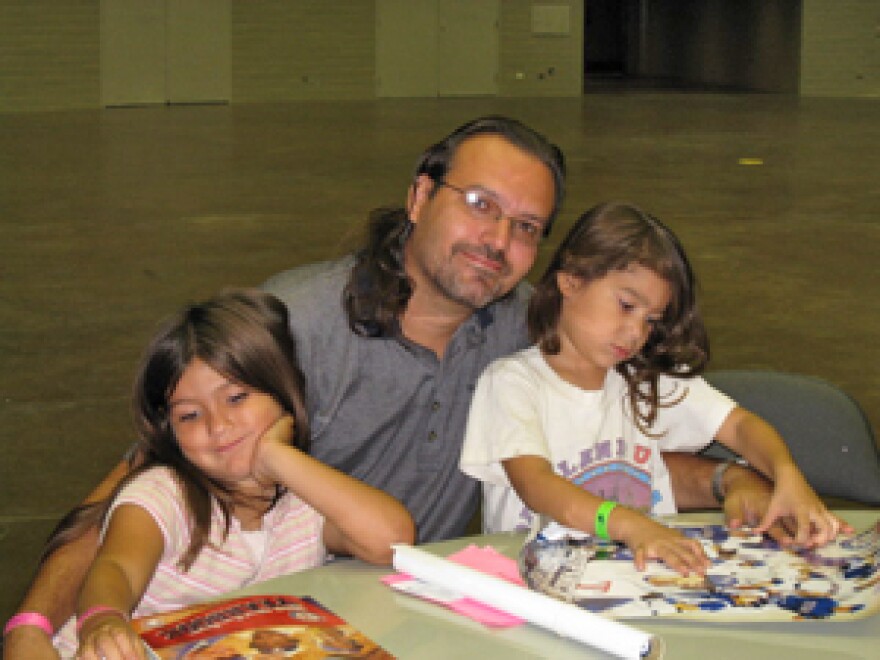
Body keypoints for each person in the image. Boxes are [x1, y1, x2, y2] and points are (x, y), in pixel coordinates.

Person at [4, 117, 782, 659]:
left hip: (427, 615)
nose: (499, 242)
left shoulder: (527, 334)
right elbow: (134, 486)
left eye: (525, 227)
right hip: (283, 618)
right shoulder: (296, 324)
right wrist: (33, 624)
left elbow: (598, 450)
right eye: (480, 205)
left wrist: (725, 477)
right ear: (419, 198)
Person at [460, 203, 849, 575]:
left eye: (651, 320)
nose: (636, 333)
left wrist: (787, 476)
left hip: (643, 582)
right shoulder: (513, 383)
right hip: (537, 590)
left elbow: (740, 425)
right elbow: (536, 485)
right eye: (626, 305)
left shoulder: (642, 381)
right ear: (571, 281)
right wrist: (629, 525)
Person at [48, 290, 413, 658]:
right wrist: (103, 621)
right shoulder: (161, 495)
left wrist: (277, 457)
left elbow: (390, 540)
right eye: (189, 415)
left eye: (236, 398)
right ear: (169, 431)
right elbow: (116, 569)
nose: (218, 425)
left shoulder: (304, 501)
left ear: (283, 394)